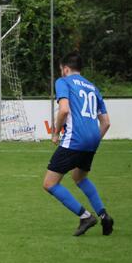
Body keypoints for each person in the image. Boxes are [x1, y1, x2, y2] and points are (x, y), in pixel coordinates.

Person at [42, 51, 114, 236]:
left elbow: (64, 110)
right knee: (79, 177)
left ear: (65, 69)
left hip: (75, 139)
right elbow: (106, 123)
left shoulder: (63, 82)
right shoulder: (93, 87)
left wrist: (55, 133)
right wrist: (92, 141)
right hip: (93, 140)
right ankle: (104, 215)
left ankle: (85, 216)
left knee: (50, 183)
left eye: (61, 70)